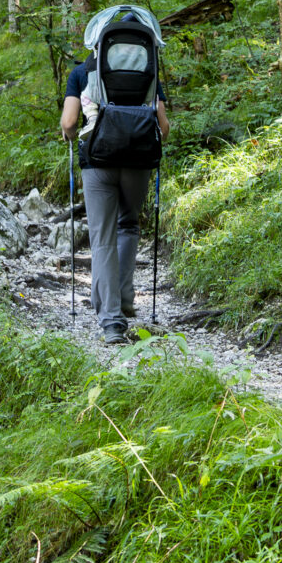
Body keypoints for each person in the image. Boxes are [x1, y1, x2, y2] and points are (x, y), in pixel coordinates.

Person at [60, 38, 169, 345]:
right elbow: (163, 127)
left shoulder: (82, 72)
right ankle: (122, 297)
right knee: (128, 225)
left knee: (102, 237)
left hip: (97, 161)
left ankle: (111, 322)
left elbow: (69, 122)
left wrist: (70, 133)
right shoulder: (149, 73)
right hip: (138, 162)